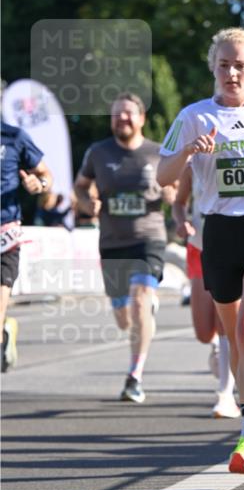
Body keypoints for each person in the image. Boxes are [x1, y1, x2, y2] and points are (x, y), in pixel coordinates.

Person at [157, 28, 244, 476]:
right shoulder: (194, 116)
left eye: (241, 66)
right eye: (224, 65)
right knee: (235, 336)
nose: (232, 73)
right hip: (217, 234)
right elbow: (162, 175)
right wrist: (190, 153)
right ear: (213, 68)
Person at [74, 93, 172, 403]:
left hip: (149, 240)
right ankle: (137, 309)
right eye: (117, 114)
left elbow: (177, 186)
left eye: (128, 114)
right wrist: (88, 201)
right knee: (122, 317)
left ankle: (135, 375)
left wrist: (171, 193)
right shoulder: (98, 152)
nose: (122, 119)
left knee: (141, 300)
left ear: (141, 118)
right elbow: (80, 185)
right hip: (112, 243)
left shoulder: (157, 153)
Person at [171, 162, 239, 418]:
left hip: (229, 246)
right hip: (198, 247)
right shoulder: (192, 165)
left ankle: (226, 395)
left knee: (226, 323)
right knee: (203, 331)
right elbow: (179, 203)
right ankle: (218, 350)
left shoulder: (239, 151)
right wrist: (181, 222)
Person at [1, 119, 52, 371]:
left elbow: (46, 175)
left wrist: (38, 184)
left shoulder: (14, 137)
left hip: (4, 237)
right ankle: (5, 327)